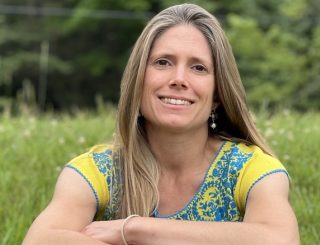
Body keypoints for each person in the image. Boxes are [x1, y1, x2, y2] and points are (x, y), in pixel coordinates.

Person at [23, 3, 299, 245]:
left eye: (198, 67)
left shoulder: (252, 170)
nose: (179, 78)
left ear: (217, 93)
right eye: (163, 62)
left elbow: (280, 240)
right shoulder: (97, 171)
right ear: (138, 82)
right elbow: (40, 240)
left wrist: (134, 230)